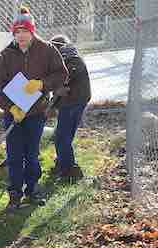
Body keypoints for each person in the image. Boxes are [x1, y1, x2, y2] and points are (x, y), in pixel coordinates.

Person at [0, 6, 67, 209]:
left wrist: (43, 84)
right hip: (14, 115)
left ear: (32, 31)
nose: (21, 36)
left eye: (24, 31)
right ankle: (15, 193)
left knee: (32, 154)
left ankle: (32, 190)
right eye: (17, 32)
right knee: (14, 155)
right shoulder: (6, 55)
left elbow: (62, 74)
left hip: (36, 113)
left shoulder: (47, 50)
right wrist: (11, 108)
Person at [49, 35, 91, 182]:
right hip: (74, 102)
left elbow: (67, 77)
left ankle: (70, 169)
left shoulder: (70, 58)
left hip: (73, 103)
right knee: (63, 136)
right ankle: (63, 163)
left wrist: (60, 87)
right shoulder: (70, 57)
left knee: (62, 137)